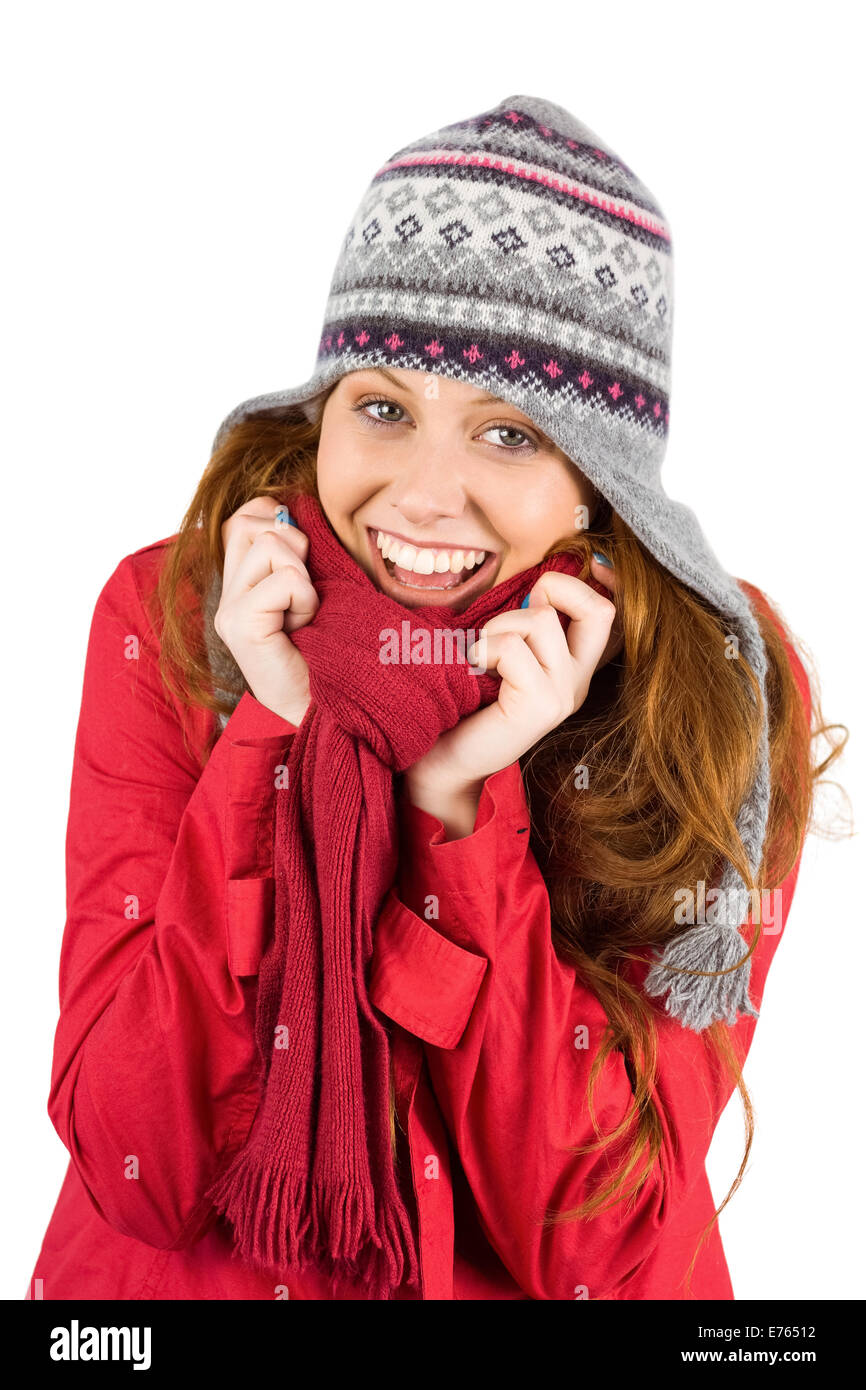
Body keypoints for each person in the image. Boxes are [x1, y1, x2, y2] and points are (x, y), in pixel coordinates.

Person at [27, 93, 841, 1301]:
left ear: (595, 485)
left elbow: (599, 1252)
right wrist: (279, 732)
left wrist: (455, 813)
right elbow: (130, 1155)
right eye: (382, 408)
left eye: (509, 434)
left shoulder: (713, 688)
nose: (422, 497)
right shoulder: (180, 615)